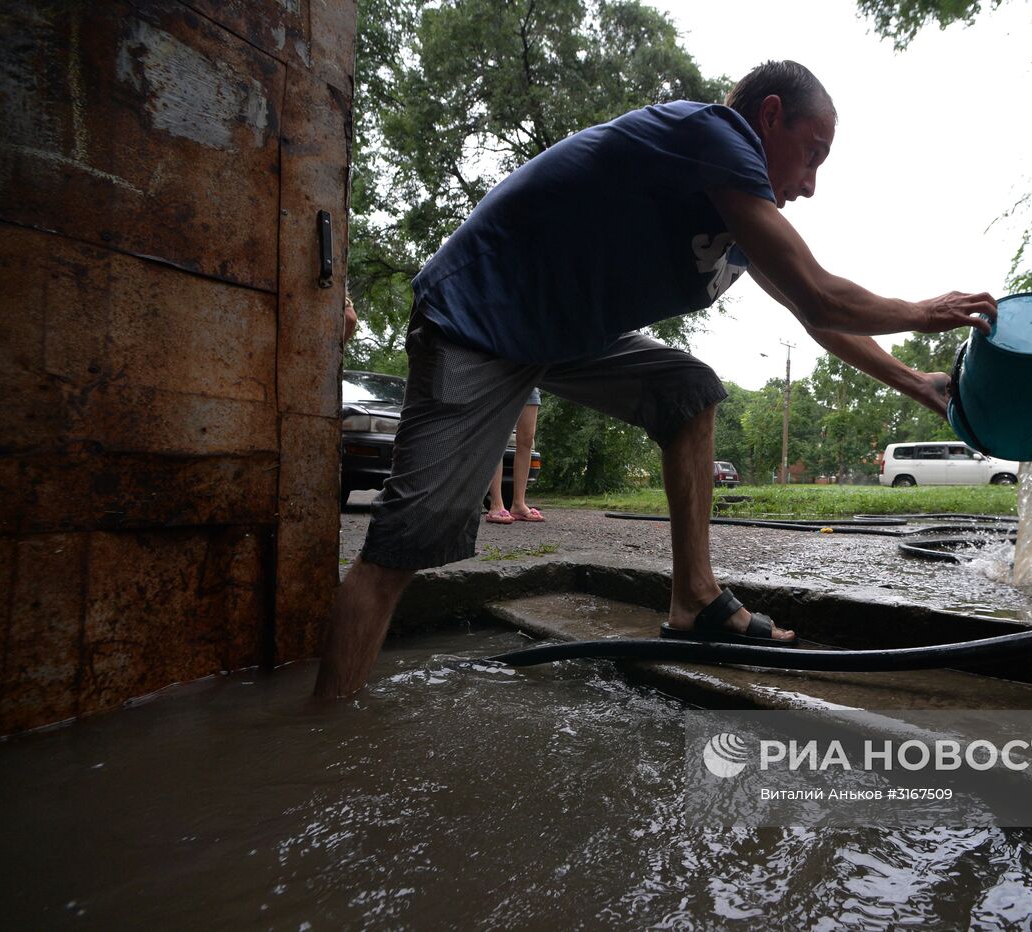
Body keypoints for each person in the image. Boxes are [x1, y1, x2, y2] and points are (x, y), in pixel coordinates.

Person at [315, 60, 995, 699]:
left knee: (687, 389)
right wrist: (926, 312)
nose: (811, 184)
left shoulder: (737, 207)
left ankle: (693, 598)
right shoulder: (716, 135)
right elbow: (821, 295)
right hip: (478, 318)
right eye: (812, 152)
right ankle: (321, 736)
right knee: (402, 547)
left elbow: (817, 319)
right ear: (769, 115)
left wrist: (916, 383)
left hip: (562, 336)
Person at [485, 389, 544, 523]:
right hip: (501, 379)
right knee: (498, 440)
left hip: (530, 379)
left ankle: (519, 504)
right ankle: (496, 505)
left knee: (527, 439)